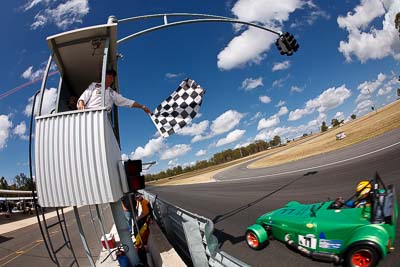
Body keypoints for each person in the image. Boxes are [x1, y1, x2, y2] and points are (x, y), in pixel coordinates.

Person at [77, 69, 151, 114]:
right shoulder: (95, 85)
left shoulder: (112, 93)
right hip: (89, 113)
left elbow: (127, 102)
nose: (111, 77)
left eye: (113, 77)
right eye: (109, 75)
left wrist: (142, 106)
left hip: (104, 118)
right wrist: (81, 102)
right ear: (104, 76)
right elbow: (85, 95)